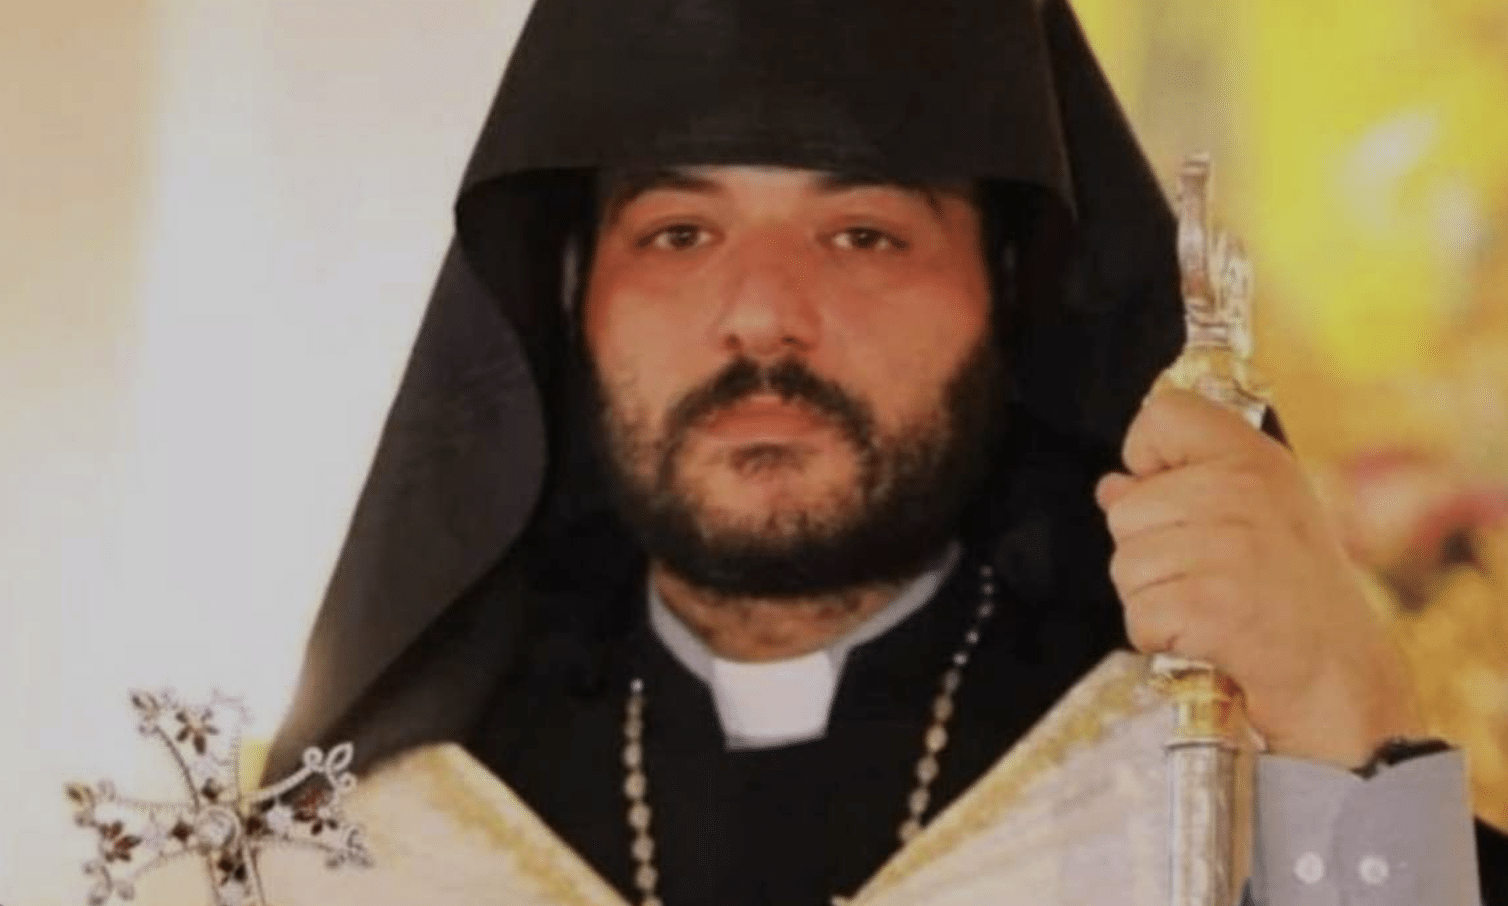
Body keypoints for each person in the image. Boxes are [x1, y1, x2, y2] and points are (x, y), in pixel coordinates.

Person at [267, 0, 1507, 903]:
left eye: (861, 234)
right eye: (679, 232)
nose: (762, 314)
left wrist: (1349, 726)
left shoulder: (1203, 783)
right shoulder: (387, 845)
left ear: (1006, 291)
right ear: (569, 296)